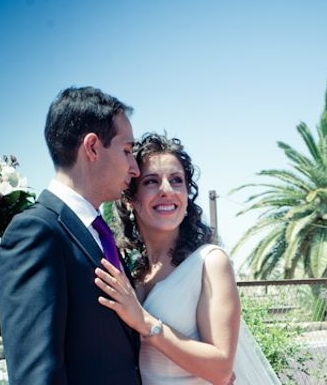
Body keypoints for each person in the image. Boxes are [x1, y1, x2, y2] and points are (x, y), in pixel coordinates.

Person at [94, 133, 280, 384]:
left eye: (176, 180)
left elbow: (222, 370)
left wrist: (145, 322)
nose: (167, 191)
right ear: (129, 199)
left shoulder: (210, 263)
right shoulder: (134, 272)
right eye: (151, 181)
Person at [0, 86, 142, 384]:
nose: (135, 168)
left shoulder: (101, 234)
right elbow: (36, 376)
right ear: (91, 147)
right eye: (127, 151)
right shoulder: (36, 232)